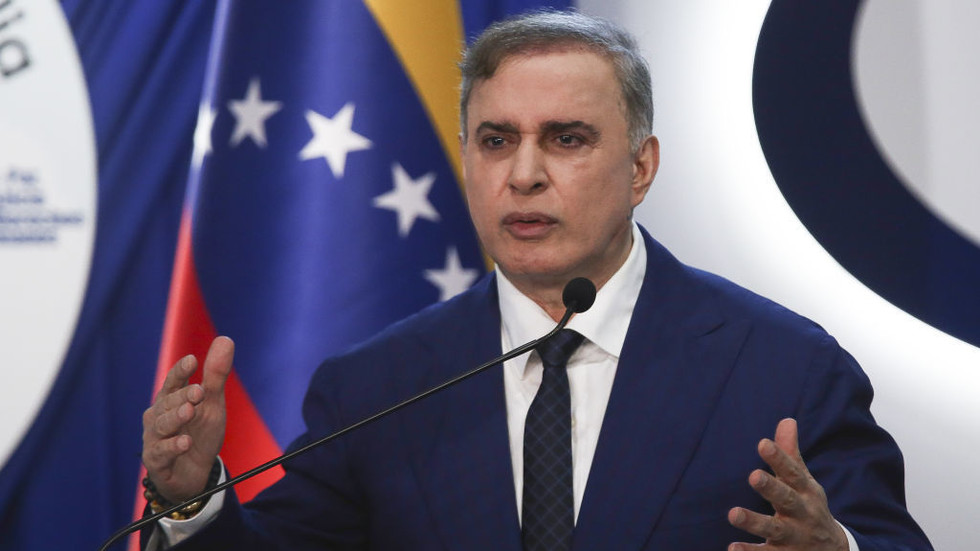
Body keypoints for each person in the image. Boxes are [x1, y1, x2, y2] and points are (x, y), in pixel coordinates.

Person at [140, 10, 933, 550]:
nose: (523, 174)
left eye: (566, 138)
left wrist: (840, 548)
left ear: (641, 167)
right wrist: (192, 497)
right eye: (495, 140)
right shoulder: (376, 389)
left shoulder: (785, 367)